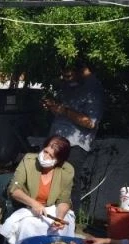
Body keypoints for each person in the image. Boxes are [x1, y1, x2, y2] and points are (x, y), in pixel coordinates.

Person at [0, 135, 76, 244]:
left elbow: (64, 199)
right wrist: (34, 203)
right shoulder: (29, 161)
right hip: (28, 207)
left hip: (51, 209)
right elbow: (14, 190)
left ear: (58, 161)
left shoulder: (67, 170)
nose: (45, 157)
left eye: (51, 156)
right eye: (45, 151)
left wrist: (60, 217)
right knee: (27, 226)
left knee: (66, 224)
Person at [41, 60, 104, 213]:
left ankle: (69, 223)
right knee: (49, 180)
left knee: (69, 183)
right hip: (55, 142)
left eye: (69, 74)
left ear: (81, 69)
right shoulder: (71, 87)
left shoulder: (94, 89)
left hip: (74, 146)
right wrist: (53, 107)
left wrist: (64, 111)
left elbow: (91, 123)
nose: (66, 77)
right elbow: (63, 114)